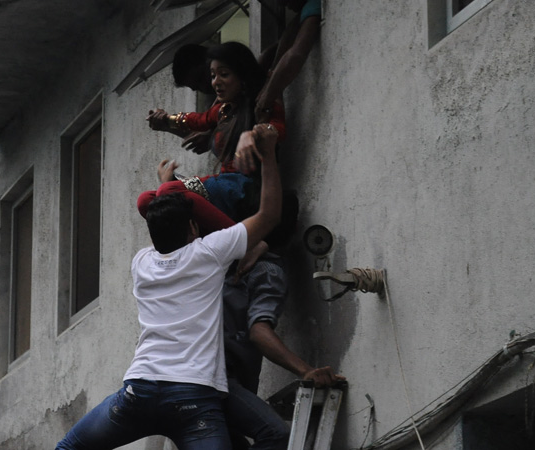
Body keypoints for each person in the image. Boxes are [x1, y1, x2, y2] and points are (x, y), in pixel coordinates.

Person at [55, 123, 283, 450]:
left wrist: (165, 189)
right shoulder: (208, 253)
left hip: (139, 392)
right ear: (194, 228)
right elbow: (270, 215)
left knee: (68, 448)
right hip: (194, 398)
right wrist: (271, 154)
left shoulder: (141, 262)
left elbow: (158, 218)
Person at [222, 201, 346, 450]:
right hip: (219, 381)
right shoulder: (266, 269)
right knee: (277, 437)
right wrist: (305, 370)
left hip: (177, 381)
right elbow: (258, 331)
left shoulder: (210, 259)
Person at [142, 42, 286, 230]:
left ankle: (245, 242)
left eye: (224, 75)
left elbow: (276, 129)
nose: (215, 82)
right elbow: (198, 120)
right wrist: (167, 119)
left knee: (168, 189)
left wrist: (252, 134)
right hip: (222, 184)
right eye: (212, 76)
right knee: (146, 201)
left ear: (241, 74)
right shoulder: (223, 110)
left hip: (243, 189)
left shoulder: (260, 106)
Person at [254, 0, 322, 124]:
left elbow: (295, 55)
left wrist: (266, 100)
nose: (282, 4)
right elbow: (283, 42)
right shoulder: (301, 15)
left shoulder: (314, 6)